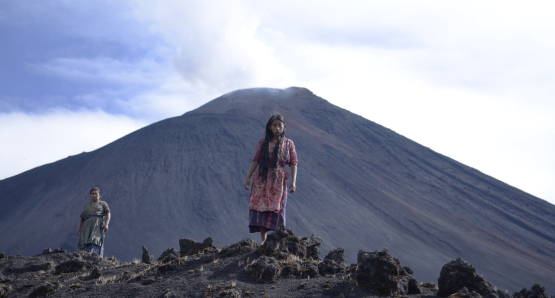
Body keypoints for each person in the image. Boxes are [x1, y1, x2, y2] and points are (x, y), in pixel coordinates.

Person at [244, 113, 298, 244]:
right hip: (262, 178)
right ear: (270, 127)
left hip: (279, 181)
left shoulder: (289, 144)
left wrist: (293, 181)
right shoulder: (263, 142)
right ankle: (264, 239)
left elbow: (293, 162)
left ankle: (280, 239)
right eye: (274, 125)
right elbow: (256, 160)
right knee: (260, 207)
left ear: (284, 126)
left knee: (280, 207)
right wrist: (248, 177)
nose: (277, 128)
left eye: (280, 125)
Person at [77, 187, 111, 257]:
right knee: (85, 241)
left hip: (97, 226)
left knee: (95, 239)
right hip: (86, 227)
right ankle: (85, 257)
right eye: (93, 194)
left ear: (99, 195)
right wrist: (79, 229)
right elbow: (82, 218)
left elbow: (108, 213)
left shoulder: (103, 204)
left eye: (96, 194)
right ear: (90, 195)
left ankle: (95, 257)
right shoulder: (86, 206)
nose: (94, 195)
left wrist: (106, 224)